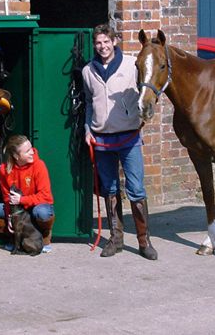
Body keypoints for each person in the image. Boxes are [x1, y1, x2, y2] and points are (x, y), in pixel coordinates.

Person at [82, 23, 157, 260]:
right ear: (94, 45)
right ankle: (116, 239)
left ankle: (144, 242)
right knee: (110, 190)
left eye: (106, 41)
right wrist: (87, 129)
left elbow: (149, 91)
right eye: (98, 43)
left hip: (129, 137)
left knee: (136, 189)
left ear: (114, 41)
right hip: (101, 139)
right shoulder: (88, 71)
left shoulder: (132, 65)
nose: (102, 46)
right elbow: (88, 102)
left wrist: (145, 112)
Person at [0, 135, 55, 253]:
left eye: (31, 148)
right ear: (16, 156)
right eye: (27, 151)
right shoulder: (4, 169)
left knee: (42, 212)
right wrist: (9, 217)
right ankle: (14, 236)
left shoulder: (39, 165)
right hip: (17, 210)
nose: (32, 152)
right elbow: (6, 197)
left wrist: (22, 200)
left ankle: (45, 237)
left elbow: (46, 196)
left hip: (36, 206)